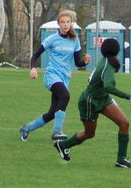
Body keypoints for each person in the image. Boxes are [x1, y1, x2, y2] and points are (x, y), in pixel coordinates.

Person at [53, 38, 131, 168]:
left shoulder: (107, 61)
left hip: (103, 99)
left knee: (124, 123)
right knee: (90, 133)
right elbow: (108, 87)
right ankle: (62, 145)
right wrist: (130, 97)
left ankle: (121, 160)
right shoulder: (107, 64)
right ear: (116, 51)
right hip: (89, 102)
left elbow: (93, 79)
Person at [20, 10, 91, 141]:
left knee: (52, 113)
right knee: (65, 96)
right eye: (63, 22)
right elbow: (35, 56)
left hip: (65, 77)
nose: (65, 24)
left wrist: (85, 62)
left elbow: (77, 63)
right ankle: (57, 132)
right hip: (52, 75)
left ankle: (27, 128)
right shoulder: (52, 39)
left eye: (68, 22)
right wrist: (33, 68)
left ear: (71, 23)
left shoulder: (75, 40)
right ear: (58, 24)